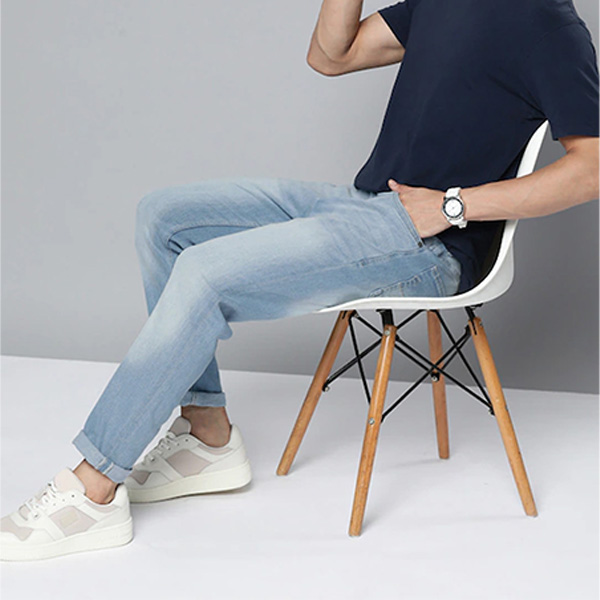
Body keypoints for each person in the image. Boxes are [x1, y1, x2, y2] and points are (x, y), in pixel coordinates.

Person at [2, 0, 598, 561]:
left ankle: (92, 488)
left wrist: (451, 206)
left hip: (428, 244)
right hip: (361, 205)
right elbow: (331, 56)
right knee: (163, 218)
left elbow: (591, 168)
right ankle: (207, 436)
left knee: (207, 274)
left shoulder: (547, 23)